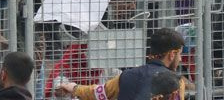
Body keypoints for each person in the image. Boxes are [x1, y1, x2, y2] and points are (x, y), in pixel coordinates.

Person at [54, 28, 188, 100]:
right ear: (171, 54)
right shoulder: (176, 82)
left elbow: (98, 93)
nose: (180, 59)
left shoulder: (126, 76)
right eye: (179, 54)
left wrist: (74, 88)